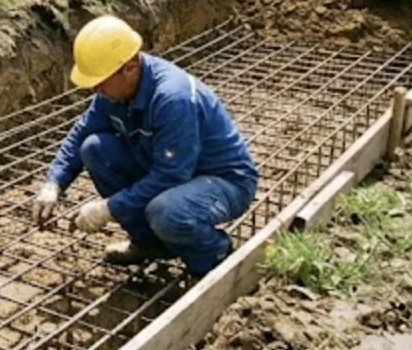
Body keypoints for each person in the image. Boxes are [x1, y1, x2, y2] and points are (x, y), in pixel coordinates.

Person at [32, 16, 259, 277]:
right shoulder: (113, 91)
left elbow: (171, 176)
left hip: (222, 181)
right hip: (169, 169)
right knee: (94, 149)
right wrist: (54, 183)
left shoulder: (173, 99)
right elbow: (82, 132)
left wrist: (108, 208)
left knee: (166, 211)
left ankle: (214, 258)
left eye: (101, 81)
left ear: (129, 68)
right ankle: (150, 245)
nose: (95, 88)